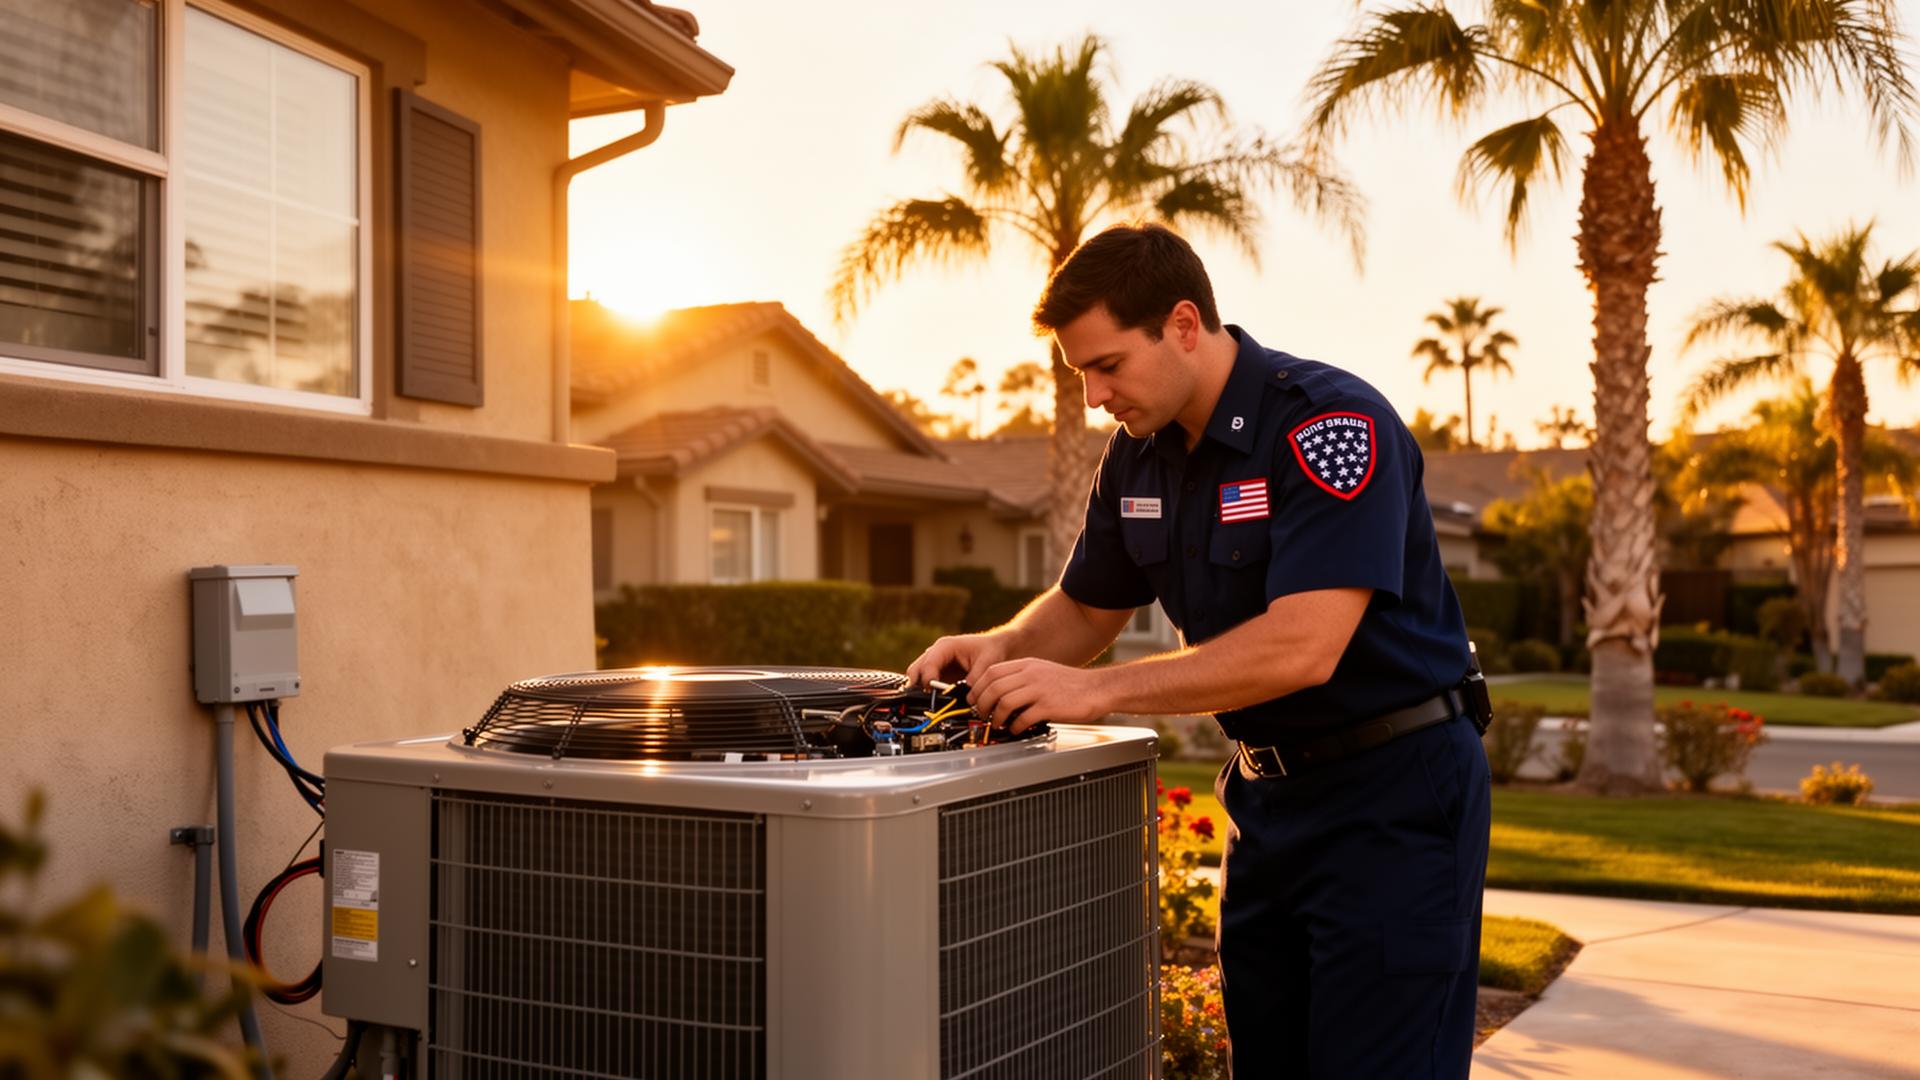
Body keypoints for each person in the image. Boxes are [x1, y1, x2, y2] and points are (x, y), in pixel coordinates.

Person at [906, 223, 1492, 1078]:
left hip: (1393, 795)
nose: (1095, 394)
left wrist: (1098, 694)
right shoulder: (1136, 458)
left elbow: (1304, 646)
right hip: (1267, 798)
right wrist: (997, 648)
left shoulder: (1329, 425)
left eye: (1108, 365)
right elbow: (1085, 607)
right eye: (1081, 374)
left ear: (1184, 324)